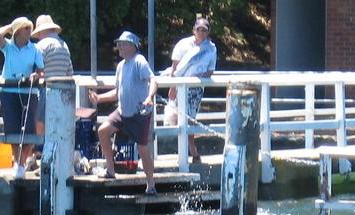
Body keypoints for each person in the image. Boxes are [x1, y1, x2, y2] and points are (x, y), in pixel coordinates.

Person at [88, 31, 158, 195]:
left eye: (122, 44)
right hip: (122, 112)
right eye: (118, 44)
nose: (119, 47)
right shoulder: (121, 66)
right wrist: (99, 98)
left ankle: (151, 183)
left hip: (139, 112)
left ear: (132, 46)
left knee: (142, 148)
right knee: (103, 131)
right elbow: (117, 92)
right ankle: (110, 171)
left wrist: (150, 96)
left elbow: (153, 80)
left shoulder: (139, 61)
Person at [0, 17, 44, 179]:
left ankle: (21, 163)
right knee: (13, 129)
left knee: (29, 129)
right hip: (8, 91)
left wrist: (36, 75)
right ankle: (19, 163)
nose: (30, 32)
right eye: (26, 28)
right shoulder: (8, 47)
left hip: (28, 92)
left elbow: (41, 70)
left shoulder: (35, 49)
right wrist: (11, 26)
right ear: (18, 31)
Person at [168, 17, 217, 164]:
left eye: (204, 30)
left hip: (195, 89)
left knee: (189, 118)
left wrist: (197, 77)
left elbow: (210, 71)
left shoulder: (211, 48)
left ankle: (191, 151)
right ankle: (190, 152)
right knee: (179, 118)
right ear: (193, 30)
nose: (201, 32)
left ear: (208, 32)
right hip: (179, 86)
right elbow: (175, 68)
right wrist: (172, 87)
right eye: (199, 29)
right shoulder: (183, 44)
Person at [30, 14, 74, 136]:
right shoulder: (65, 46)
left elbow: (35, 69)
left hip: (46, 91)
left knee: (38, 121)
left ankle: (38, 150)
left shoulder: (41, 46)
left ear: (41, 31)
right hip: (62, 94)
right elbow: (70, 73)